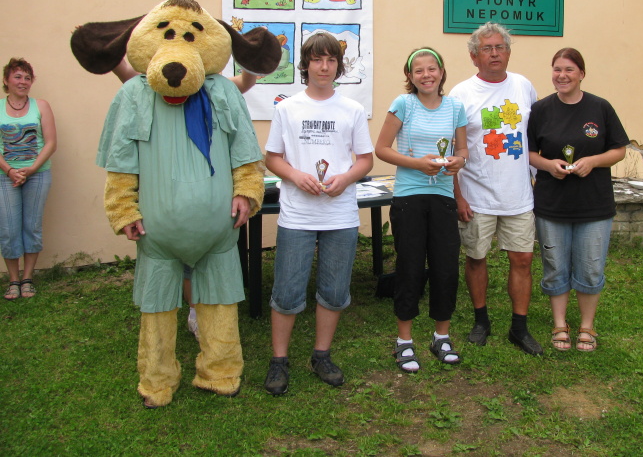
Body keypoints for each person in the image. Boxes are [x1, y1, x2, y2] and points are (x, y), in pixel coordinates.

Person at [112, 58, 257, 338]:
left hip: (212, 213)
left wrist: (254, 58)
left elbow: (243, 143)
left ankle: (209, 326)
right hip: (164, 212)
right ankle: (191, 312)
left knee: (210, 265)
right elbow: (121, 160)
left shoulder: (218, 87)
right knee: (172, 270)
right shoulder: (144, 88)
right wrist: (112, 53)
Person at [263, 32, 373, 395]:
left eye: (331, 60)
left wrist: (345, 179)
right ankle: (279, 360)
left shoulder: (352, 110)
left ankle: (321, 355)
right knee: (287, 291)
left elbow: (365, 160)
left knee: (335, 290)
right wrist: (295, 176)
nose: (324, 67)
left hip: (339, 215)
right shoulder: (287, 109)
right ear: (306, 65)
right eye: (317, 60)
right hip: (297, 215)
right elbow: (273, 158)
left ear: (338, 66)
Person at [449, 22, 542, 355]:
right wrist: (458, 195)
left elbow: (535, 136)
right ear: (474, 56)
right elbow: (452, 151)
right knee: (476, 258)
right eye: (486, 49)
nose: (494, 54)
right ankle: (481, 321)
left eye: (499, 47)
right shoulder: (461, 94)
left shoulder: (523, 86)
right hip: (476, 195)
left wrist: (536, 178)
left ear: (509, 52)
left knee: (523, 259)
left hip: (518, 194)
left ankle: (519, 327)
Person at [528, 48, 628, 352]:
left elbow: (619, 150)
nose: (562, 75)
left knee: (591, 266)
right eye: (557, 69)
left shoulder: (600, 107)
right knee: (555, 265)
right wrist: (549, 165)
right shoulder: (541, 109)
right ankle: (560, 324)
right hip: (552, 204)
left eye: (569, 69)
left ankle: (586, 326)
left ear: (581, 74)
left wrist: (593, 162)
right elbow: (529, 153)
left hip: (594, 205)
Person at [375, 47, 469, 373]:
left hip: (442, 197)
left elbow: (462, 149)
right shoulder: (404, 104)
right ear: (410, 76)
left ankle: (441, 336)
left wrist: (458, 161)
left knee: (445, 268)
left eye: (432, 69)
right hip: (409, 198)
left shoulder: (456, 107)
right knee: (410, 268)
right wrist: (417, 164)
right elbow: (381, 149)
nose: (426, 75)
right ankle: (404, 340)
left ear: (441, 72)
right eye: (419, 70)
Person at [1, 58, 57, 300]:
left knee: (32, 226)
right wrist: (9, 170)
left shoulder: (41, 106)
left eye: (27, 77)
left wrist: (32, 169)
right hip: (5, 177)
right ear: (6, 81)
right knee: (8, 229)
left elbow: (51, 142)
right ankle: (13, 280)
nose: (23, 81)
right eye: (17, 76)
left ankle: (27, 278)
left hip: (37, 175)